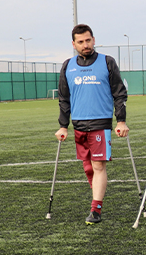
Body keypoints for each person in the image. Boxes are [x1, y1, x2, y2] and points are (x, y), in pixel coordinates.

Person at [55, 24, 129, 225]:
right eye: (80, 42)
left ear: (93, 40)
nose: (85, 44)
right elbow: (64, 98)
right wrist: (63, 126)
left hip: (100, 124)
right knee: (88, 166)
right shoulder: (67, 65)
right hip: (79, 125)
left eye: (88, 40)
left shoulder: (107, 62)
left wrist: (120, 120)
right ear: (74, 44)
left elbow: (119, 93)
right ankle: (97, 191)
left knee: (98, 165)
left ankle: (95, 209)